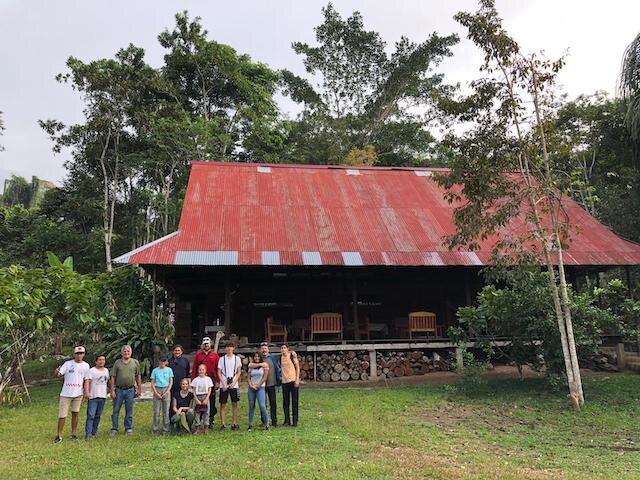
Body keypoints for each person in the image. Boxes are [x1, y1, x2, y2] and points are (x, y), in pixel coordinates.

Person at [53, 345, 90, 444]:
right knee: (62, 415)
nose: (79, 355)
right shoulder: (68, 364)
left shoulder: (86, 366)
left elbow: (86, 380)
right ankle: (59, 435)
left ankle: (73, 433)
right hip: (66, 393)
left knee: (75, 413)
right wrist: (57, 372)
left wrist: (86, 392)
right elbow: (59, 374)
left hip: (78, 394)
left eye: (81, 353)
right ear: (74, 354)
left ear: (84, 354)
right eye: (77, 353)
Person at [109, 345, 142, 435]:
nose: (126, 353)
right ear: (121, 353)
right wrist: (112, 390)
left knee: (129, 409)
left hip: (130, 390)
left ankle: (128, 428)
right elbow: (113, 377)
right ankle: (114, 428)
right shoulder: (117, 363)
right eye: (125, 351)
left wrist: (139, 389)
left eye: (128, 351)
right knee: (116, 410)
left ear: (131, 352)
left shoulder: (135, 362)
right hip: (119, 390)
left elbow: (138, 376)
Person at [191, 336, 219, 428]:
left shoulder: (215, 355)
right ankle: (199, 421)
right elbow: (195, 368)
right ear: (202, 345)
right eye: (205, 344)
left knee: (211, 400)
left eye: (208, 343)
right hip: (200, 381)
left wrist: (218, 381)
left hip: (211, 380)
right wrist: (193, 381)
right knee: (200, 400)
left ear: (210, 344)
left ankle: (210, 421)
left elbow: (218, 369)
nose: (206, 345)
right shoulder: (198, 355)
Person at [83, 353, 109, 441]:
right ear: (96, 361)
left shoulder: (106, 371)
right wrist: (87, 393)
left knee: (98, 415)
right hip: (93, 396)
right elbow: (87, 382)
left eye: (103, 360)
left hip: (102, 396)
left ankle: (94, 432)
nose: (101, 361)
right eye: (100, 360)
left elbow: (107, 382)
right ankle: (88, 433)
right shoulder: (91, 371)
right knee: (91, 415)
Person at [217, 341, 241, 431]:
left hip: (233, 384)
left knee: (234, 403)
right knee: (223, 404)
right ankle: (223, 423)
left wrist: (234, 382)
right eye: (227, 347)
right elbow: (219, 372)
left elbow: (239, 371)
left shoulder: (237, 359)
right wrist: (223, 383)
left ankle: (234, 422)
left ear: (233, 348)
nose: (229, 349)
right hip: (224, 383)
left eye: (231, 347)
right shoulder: (221, 359)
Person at [150, 354, 174, 434]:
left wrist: (167, 391)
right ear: (159, 361)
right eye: (161, 361)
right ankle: (155, 429)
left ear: (166, 361)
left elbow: (171, 381)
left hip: (166, 389)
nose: (162, 362)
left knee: (166, 411)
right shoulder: (155, 370)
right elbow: (152, 383)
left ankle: (166, 429)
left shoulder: (169, 370)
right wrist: (155, 393)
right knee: (156, 411)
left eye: (164, 361)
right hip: (157, 389)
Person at [247, 351, 270, 431]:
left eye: (258, 356)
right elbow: (248, 377)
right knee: (251, 406)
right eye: (255, 356)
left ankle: (267, 423)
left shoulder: (265, 365)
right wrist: (251, 385)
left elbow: (265, 377)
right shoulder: (251, 366)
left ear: (260, 357)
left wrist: (258, 385)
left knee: (262, 406)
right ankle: (250, 424)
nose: (256, 358)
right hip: (251, 388)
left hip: (260, 387)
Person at [260, 342, 281, 426]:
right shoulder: (259, 358)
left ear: (268, 350)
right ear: (260, 350)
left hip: (271, 384)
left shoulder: (272, 357)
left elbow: (283, 354)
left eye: (265, 348)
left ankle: (274, 420)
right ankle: (264, 421)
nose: (264, 350)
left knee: (273, 402)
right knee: (263, 404)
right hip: (261, 385)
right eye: (262, 349)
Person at [280, 344, 300, 427]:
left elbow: (297, 367)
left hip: (293, 381)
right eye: (282, 348)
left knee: (294, 402)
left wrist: (297, 379)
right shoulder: (280, 357)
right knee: (285, 403)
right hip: (284, 382)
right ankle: (287, 420)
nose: (283, 349)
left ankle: (295, 421)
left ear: (288, 349)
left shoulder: (292, 355)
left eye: (285, 348)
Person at [190, 364, 214, 434]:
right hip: (197, 397)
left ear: (205, 370)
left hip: (205, 396)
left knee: (206, 412)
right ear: (198, 370)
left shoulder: (208, 379)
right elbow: (193, 390)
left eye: (203, 369)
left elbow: (210, 389)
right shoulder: (195, 380)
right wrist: (196, 399)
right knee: (197, 412)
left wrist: (207, 398)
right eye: (200, 369)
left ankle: (206, 427)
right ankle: (197, 427)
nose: (201, 371)